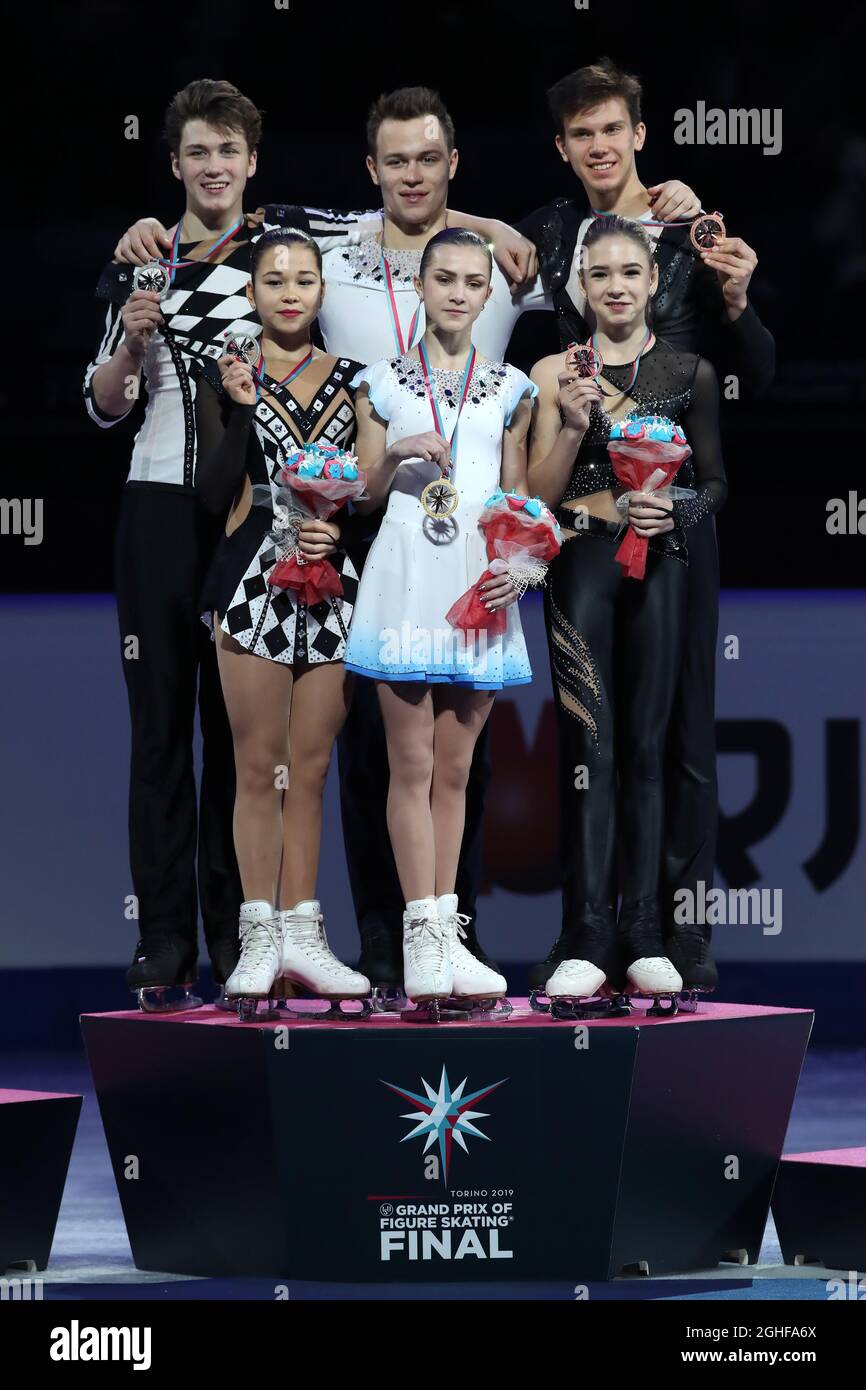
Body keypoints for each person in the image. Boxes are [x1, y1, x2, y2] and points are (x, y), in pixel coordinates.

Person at [111, 84, 697, 1003]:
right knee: (316, 759)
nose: (412, 175)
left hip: (466, 575)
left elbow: (528, 480)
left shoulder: (502, 339)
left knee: (443, 764)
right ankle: (325, 941)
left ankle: (439, 930)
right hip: (357, 561)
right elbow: (322, 462)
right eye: (396, 161)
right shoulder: (358, 339)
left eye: (430, 160)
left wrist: (681, 219)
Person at [84, 79, 386, 1010]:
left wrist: (495, 231)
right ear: (174, 163)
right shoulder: (140, 260)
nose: (214, 168)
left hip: (253, 515)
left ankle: (240, 932)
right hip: (155, 510)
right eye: (197, 153)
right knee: (160, 731)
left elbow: (396, 219)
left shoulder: (286, 245)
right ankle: (165, 941)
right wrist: (132, 349)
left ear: (253, 163)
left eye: (230, 152)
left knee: (245, 737)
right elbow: (102, 405)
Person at [519, 59, 775, 991]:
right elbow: (444, 257)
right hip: (582, 516)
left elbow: (757, 367)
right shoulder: (547, 233)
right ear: (563, 147)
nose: (598, 147)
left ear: (639, 135)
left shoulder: (690, 228)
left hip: (677, 522)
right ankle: (586, 931)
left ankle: (681, 930)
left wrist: (738, 301)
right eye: (580, 134)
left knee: (681, 737)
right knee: (587, 739)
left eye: (612, 130)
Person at [528, 215, 727, 1010]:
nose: (614, 287)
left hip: (662, 569)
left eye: (628, 274)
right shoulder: (555, 373)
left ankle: (644, 929)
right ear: (582, 286)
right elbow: (535, 496)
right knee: (590, 749)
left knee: (648, 748)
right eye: (599, 275)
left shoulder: (690, 369)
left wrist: (675, 507)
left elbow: (715, 483)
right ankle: (586, 930)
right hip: (580, 567)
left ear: (652, 282)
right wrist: (573, 422)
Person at [347, 229, 539, 1015]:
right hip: (404, 571)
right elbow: (359, 492)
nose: (458, 293)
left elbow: (519, 498)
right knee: (411, 764)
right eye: (444, 279)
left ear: (489, 295)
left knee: (458, 771)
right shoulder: (381, 383)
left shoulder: (512, 388)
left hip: (476, 581)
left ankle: (445, 932)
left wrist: (521, 565)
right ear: (420, 287)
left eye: (472, 282)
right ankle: (417, 937)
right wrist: (397, 457)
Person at [194, 227, 369, 1012]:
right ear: (253, 292)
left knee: (313, 766)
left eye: (304, 278)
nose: (290, 290)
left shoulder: (358, 381)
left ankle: (305, 933)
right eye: (273, 279)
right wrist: (236, 409)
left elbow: (366, 494)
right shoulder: (227, 373)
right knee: (256, 764)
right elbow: (211, 495)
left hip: (333, 583)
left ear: (323, 291)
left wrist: (342, 528)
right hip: (251, 582)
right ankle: (256, 936)